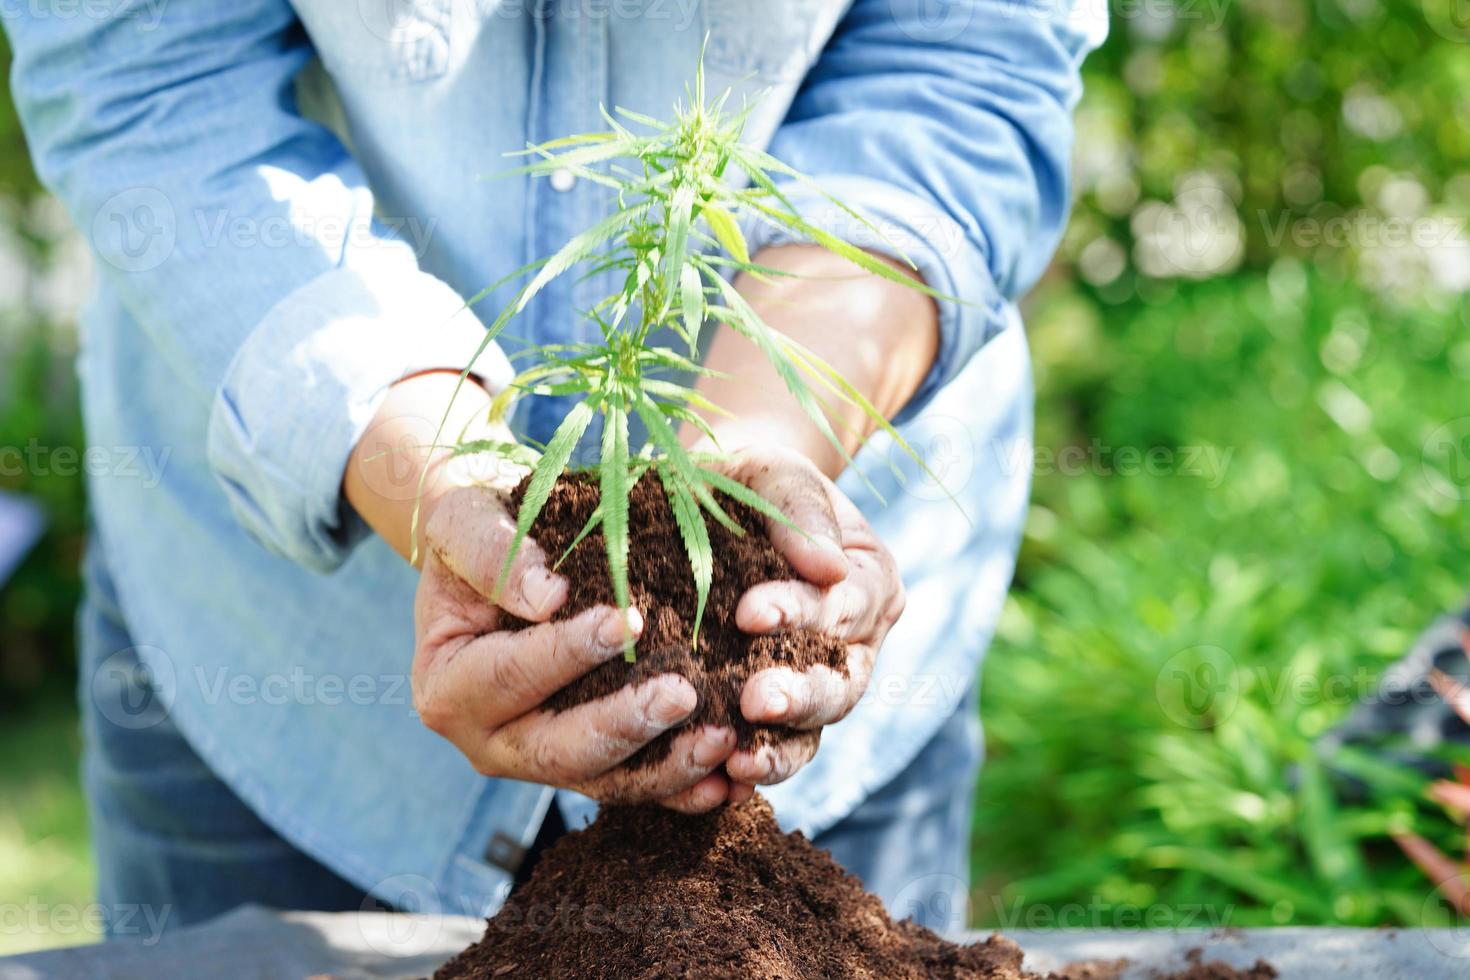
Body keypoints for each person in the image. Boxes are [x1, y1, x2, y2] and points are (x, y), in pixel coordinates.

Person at [4, 0, 1103, 934]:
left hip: (823, 701)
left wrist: (753, 454)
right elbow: (145, 73)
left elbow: (965, 55)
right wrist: (437, 476)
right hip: (284, 674)